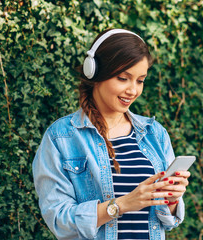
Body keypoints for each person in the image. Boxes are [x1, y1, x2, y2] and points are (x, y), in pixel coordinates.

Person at [32, 29, 191, 240]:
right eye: (123, 78)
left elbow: (168, 221)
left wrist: (171, 200)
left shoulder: (155, 134)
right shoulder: (61, 137)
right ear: (95, 72)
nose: (133, 90)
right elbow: (59, 220)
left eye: (140, 80)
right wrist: (122, 204)